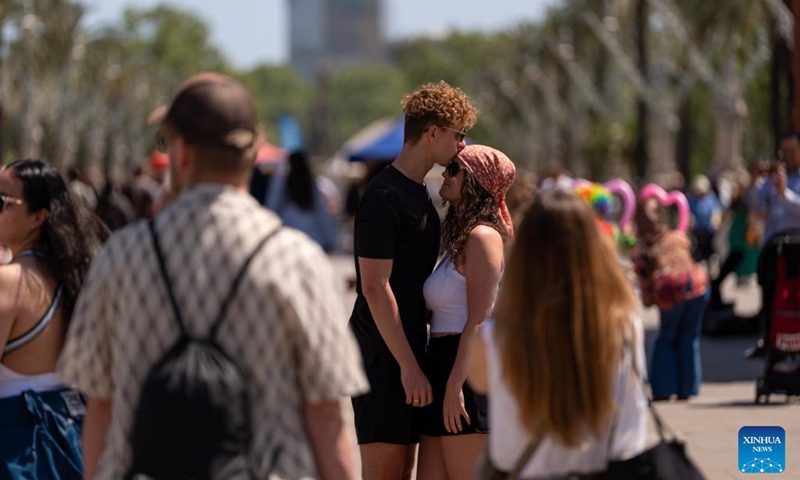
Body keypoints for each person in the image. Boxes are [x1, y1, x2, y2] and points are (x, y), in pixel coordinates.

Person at [57, 72, 368, 480]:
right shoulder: (295, 259)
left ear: (182, 153)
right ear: (253, 154)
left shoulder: (122, 254)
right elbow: (327, 416)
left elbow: (99, 404)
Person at [467, 189, 647, 478]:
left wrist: (509, 296)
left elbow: (478, 379)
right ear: (595, 251)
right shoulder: (625, 325)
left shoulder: (495, 338)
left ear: (524, 256)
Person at [349, 80, 477, 480]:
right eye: (458, 135)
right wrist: (408, 366)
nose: (462, 146)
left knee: (403, 472)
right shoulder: (384, 195)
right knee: (385, 472)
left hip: (407, 350)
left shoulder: (420, 194)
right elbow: (373, 286)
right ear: (433, 132)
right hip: (383, 354)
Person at [0, 159, 107, 478]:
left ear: (38, 216)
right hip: (67, 443)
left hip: (17, 452)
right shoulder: (73, 277)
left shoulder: (11, 282)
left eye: (2, 202)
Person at [417, 145, 515, 479]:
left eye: (454, 169)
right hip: (441, 361)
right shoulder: (458, 236)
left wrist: (455, 385)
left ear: (475, 181)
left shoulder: (483, 237)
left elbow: (479, 318)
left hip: (464, 370)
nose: (444, 173)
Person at [633, 198, 709, 401]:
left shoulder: (644, 252)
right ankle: (688, 388)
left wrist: (649, 300)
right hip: (698, 287)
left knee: (666, 339)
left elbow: (646, 288)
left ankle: (664, 389)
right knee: (689, 339)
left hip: (671, 293)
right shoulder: (678, 237)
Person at [745, 131, 800, 358]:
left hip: (796, 248)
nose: (787, 156)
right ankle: (768, 340)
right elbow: (756, 208)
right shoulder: (771, 181)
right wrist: (754, 181)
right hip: (772, 249)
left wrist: (784, 193)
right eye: (783, 152)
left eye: (792, 151)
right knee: (769, 295)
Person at [265, 150, 339, 253]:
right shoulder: (311, 185)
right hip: (313, 241)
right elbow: (322, 213)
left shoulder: (281, 183)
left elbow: (271, 208)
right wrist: (330, 239)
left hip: (288, 241)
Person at [687, 174, 721, 264]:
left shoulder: (711, 198)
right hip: (696, 232)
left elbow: (716, 210)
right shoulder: (692, 199)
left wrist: (715, 221)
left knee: (710, 255)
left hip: (709, 232)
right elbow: (689, 212)